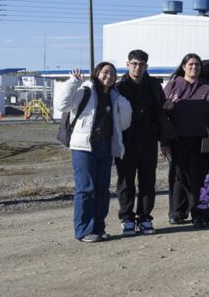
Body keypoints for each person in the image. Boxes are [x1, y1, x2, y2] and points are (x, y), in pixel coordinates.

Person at [55, 63, 132, 243]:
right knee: (86, 189)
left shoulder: (114, 97)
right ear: (97, 73)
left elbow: (124, 123)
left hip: (104, 147)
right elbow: (61, 105)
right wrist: (72, 82)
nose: (109, 76)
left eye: (113, 73)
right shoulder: (85, 91)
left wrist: (123, 102)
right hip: (83, 147)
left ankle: (98, 228)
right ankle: (83, 231)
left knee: (102, 190)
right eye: (105, 72)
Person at [115, 49, 173, 236]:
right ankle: (127, 218)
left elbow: (161, 114)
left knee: (148, 182)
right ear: (127, 64)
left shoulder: (154, 86)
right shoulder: (119, 87)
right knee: (126, 183)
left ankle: (145, 217)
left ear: (146, 66)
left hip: (148, 141)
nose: (137, 68)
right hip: (126, 143)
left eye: (141, 64)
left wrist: (164, 141)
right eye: (134, 64)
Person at [164, 53, 209, 228]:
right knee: (177, 177)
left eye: (197, 65)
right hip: (177, 139)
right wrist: (165, 141)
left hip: (200, 140)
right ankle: (177, 212)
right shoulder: (172, 86)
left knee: (199, 179)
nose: (194, 67)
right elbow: (161, 114)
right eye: (190, 64)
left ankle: (200, 214)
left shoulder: (208, 89)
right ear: (184, 66)